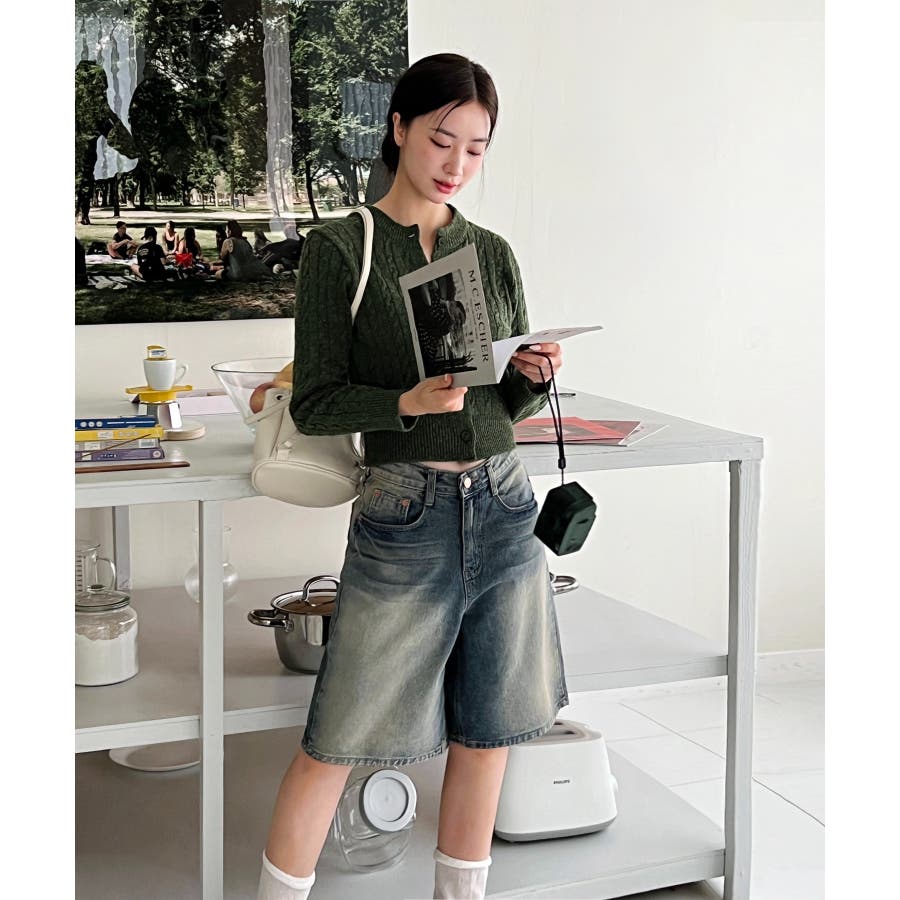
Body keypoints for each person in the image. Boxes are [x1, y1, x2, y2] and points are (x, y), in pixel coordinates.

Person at [255, 53, 567, 900]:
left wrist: (531, 380)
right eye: (440, 139)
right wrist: (403, 401)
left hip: (503, 504)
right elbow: (317, 401)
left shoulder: (491, 253)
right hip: (406, 512)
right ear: (398, 128)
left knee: (489, 734)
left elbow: (499, 410)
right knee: (338, 741)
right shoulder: (340, 249)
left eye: (476, 148)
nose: (456, 163)